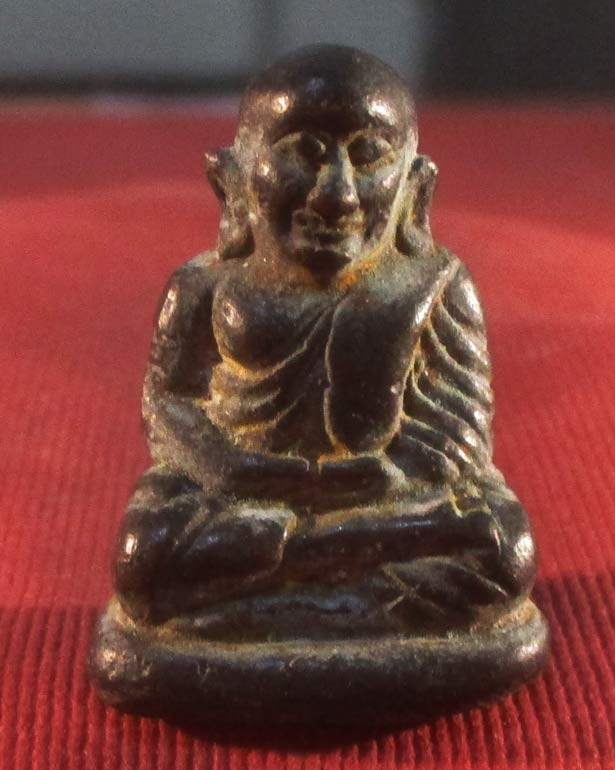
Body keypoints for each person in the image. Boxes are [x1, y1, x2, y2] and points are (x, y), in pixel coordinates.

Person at [113, 45, 535, 640]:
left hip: (383, 503)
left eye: (369, 156)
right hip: (240, 496)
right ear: (233, 179)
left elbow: (459, 430)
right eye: (303, 154)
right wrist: (236, 469)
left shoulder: (438, 287)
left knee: (501, 549)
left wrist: (383, 478)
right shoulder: (203, 288)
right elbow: (167, 406)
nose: (337, 194)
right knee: (144, 554)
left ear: (415, 187)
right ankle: (344, 594)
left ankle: (264, 603)